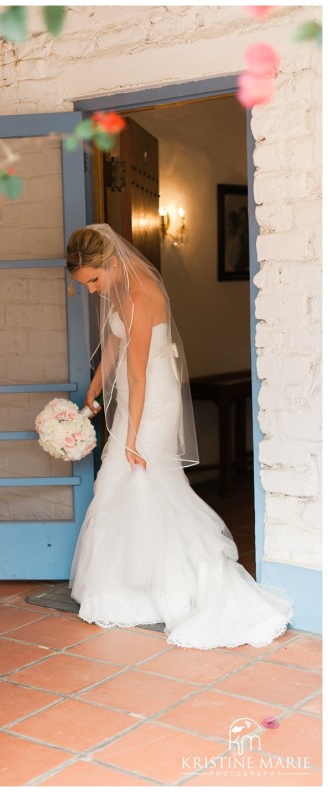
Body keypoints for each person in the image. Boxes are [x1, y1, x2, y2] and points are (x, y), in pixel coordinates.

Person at [65, 223, 293, 650]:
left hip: (151, 401)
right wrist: (94, 392)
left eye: (94, 280)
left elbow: (137, 369)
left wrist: (131, 435)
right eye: (87, 285)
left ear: (110, 263)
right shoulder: (117, 288)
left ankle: (179, 583)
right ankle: (132, 587)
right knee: (123, 484)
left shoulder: (139, 293)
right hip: (136, 397)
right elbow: (113, 348)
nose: (93, 291)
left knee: (143, 480)